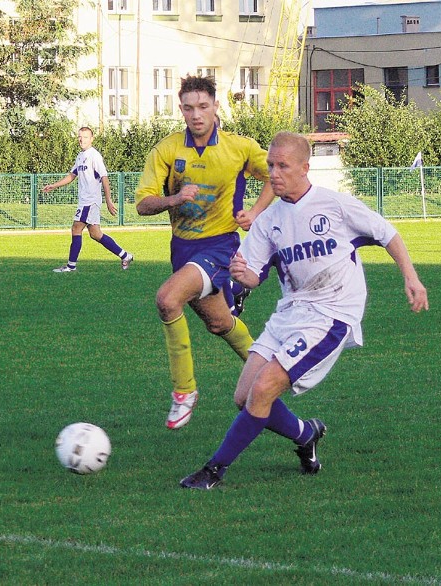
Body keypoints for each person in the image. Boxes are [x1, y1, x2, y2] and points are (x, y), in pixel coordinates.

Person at [180, 132, 429, 489]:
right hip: (290, 311)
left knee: (264, 389)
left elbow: (387, 233)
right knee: (244, 397)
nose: (274, 173)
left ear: (304, 168)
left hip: (331, 314)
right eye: (269, 166)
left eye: (282, 166)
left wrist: (411, 278)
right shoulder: (268, 220)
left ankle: (215, 469)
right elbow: (254, 276)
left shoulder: (335, 205)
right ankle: (305, 434)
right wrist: (241, 276)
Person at [135, 75, 274, 430]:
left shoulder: (239, 147)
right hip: (183, 250)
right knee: (219, 323)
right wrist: (175, 198)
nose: (196, 114)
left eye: (203, 106)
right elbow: (143, 204)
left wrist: (255, 212)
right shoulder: (166, 150)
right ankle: (271, 367)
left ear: (215, 107)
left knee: (167, 300)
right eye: (188, 107)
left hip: (220, 247)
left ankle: (184, 391)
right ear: (180, 109)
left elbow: (276, 173)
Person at [44, 127, 133, 272]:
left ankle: (71, 266)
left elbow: (104, 177)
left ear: (92, 139)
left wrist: (109, 200)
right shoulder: (80, 156)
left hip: (90, 201)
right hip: (86, 201)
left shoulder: (94, 156)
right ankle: (125, 255)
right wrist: (54, 186)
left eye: (85, 137)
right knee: (95, 234)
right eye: (79, 137)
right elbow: (72, 175)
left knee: (76, 227)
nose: (81, 139)